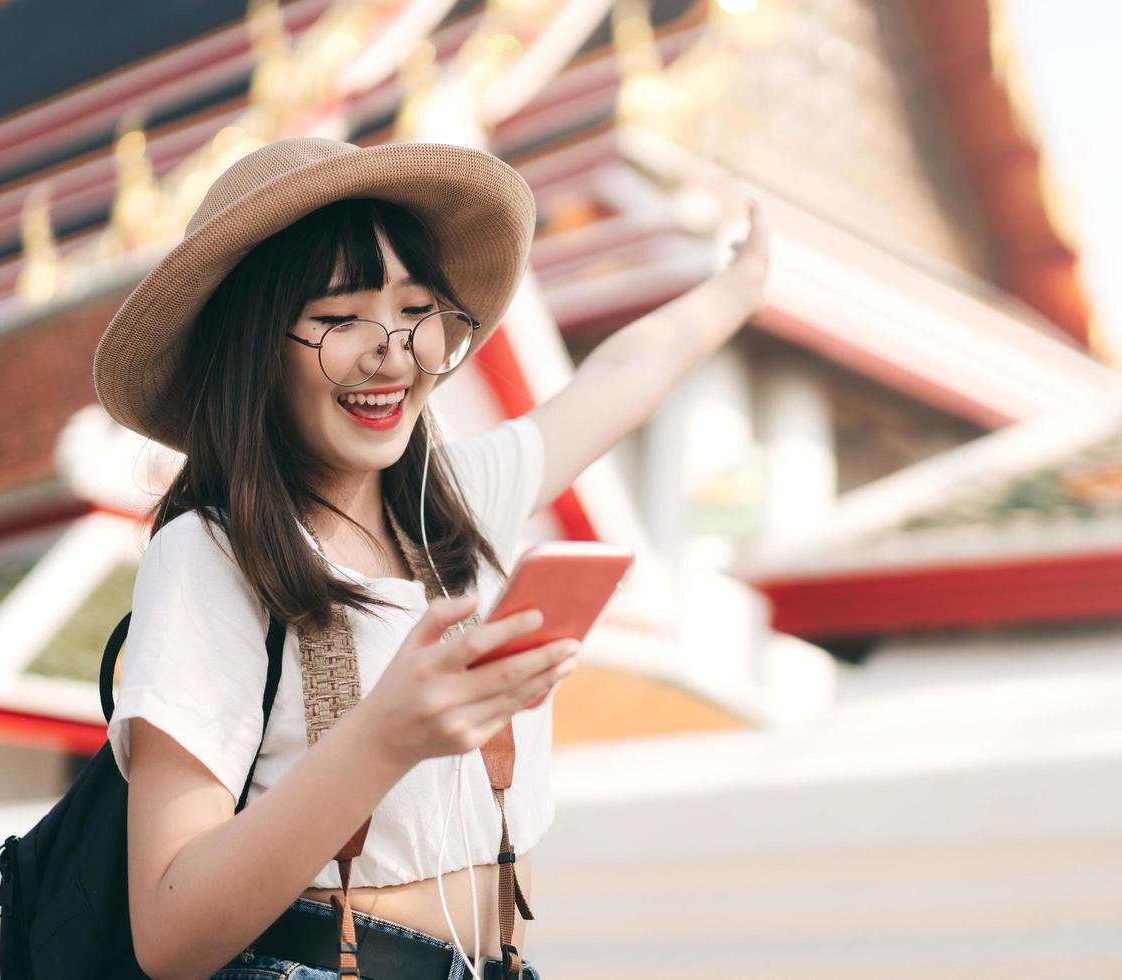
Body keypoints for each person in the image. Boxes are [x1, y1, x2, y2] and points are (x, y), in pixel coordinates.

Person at [95, 136, 768, 980]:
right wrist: (384, 737)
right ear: (253, 345)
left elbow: (630, 372)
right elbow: (168, 930)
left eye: (417, 311)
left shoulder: (455, 500)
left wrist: (737, 286)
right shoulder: (211, 554)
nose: (393, 352)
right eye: (339, 319)